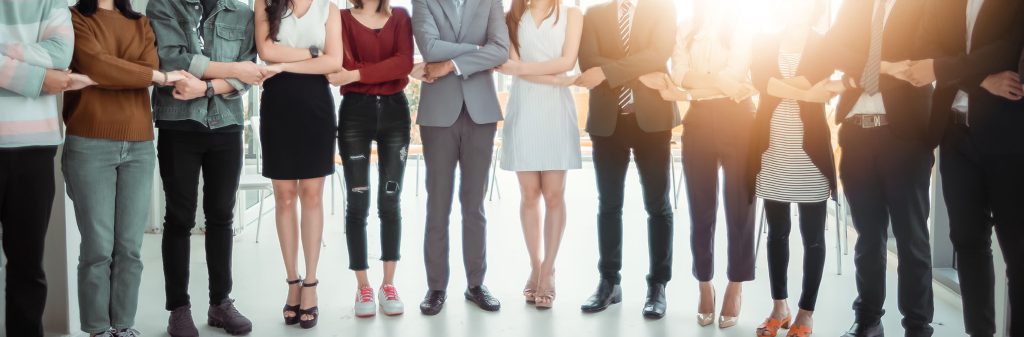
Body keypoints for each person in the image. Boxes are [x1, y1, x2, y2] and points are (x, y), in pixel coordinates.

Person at [896, 1, 1024, 336]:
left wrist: (944, 68)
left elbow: (1006, 49)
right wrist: (982, 80)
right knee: (967, 242)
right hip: (954, 134)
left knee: (1018, 251)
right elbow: (926, 48)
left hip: (1008, 137)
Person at [65, 0, 186, 336]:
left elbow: (127, 68)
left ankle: (123, 326)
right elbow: (98, 65)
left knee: (129, 248)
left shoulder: (141, 23)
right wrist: (154, 76)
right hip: (89, 142)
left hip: (139, 144)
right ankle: (97, 328)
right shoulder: (75, 18)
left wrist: (119, 72)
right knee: (97, 247)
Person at [822, 0, 939, 336]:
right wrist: (884, 66)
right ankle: (868, 318)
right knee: (867, 236)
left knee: (911, 236)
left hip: (905, 136)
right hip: (857, 132)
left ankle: (918, 326)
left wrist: (859, 67)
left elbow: (919, 61)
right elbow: (832, 47)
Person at [146, 0, 264, 335]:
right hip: (178, 123)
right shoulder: (164, 6)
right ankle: (178, 309)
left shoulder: (242, 13)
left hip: (226, 124)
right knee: (179, 217)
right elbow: (173, 60)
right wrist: (234, 70)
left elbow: (249, 72)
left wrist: (207, 86)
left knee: (222, 217)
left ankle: (220, 303)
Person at [576, 0, 678, 320]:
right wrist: (637, 69)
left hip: (653, 121)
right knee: (609, 204)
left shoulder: (662, 9)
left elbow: (657, 54)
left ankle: (657, 286)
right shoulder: (593, 14)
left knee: (658, 205)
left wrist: (607, 70)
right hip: (608, 123)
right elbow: (587, 61)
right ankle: (609, 282)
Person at [410, 0, 509, 316]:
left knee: (474, 205)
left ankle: (476, 285)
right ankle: (436, 287)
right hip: (438, 114)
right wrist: (476, 50)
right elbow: (429, 46)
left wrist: (452, 64)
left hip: (481, 113)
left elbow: (501, 50)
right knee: (437, 204)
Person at [748, 1, 839, 336]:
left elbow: (801, 87)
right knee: (777, 233)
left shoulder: (824, 43)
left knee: (813, 237)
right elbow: (763, 82)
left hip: (809, 155)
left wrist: (779, 86)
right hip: (772, 150)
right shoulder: (763, 40)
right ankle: (779, 308)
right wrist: (802, 90)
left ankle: (805, 313)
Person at [255, 0, 342, 329]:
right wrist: (313, 54)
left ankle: (311, 283)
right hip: (277, 104)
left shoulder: (329, 9)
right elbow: (265, 50)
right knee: (284, 196)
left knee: (312, 195)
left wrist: (285, 59)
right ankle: (292, 281)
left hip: (316, 105)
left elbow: (335, 61)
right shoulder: (265, 3)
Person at [672, 0, 756, 328]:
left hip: (739, 123)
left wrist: (699, 81)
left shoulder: (743, 24)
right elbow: (678, 74)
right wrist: (719, 84)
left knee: (740, 209)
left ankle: (735, 285)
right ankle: (704, 283)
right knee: (700, 210)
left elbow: (734, 74)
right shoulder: (687, 26)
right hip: (699, 121)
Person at [494, 0, 582, 310]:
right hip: (525, 107)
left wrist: (530, 70)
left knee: (554, 194)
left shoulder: (572, 14)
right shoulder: (512, 17)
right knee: (529, 193)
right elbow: (508, 66)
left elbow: (567, 62)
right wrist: (556, 77)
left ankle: (549, 270)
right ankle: (535, 264)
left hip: (556, 111)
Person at [328, 0, 414, 318]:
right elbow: (342, 64)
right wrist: (361, 73)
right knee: (357, 201)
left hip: (395, 113)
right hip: (354, 115)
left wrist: (356, 74)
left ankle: (388, 284)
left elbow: (403, 63)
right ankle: (363, 285)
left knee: (390, 200)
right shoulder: (341, 18)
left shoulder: (401, 17)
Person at [0, 1, 73, 336]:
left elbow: (61, 54)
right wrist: (40, 79)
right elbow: (51, 68)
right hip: (32, 140)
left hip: (34, 147)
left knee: (28, 266)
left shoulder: (51, 1)